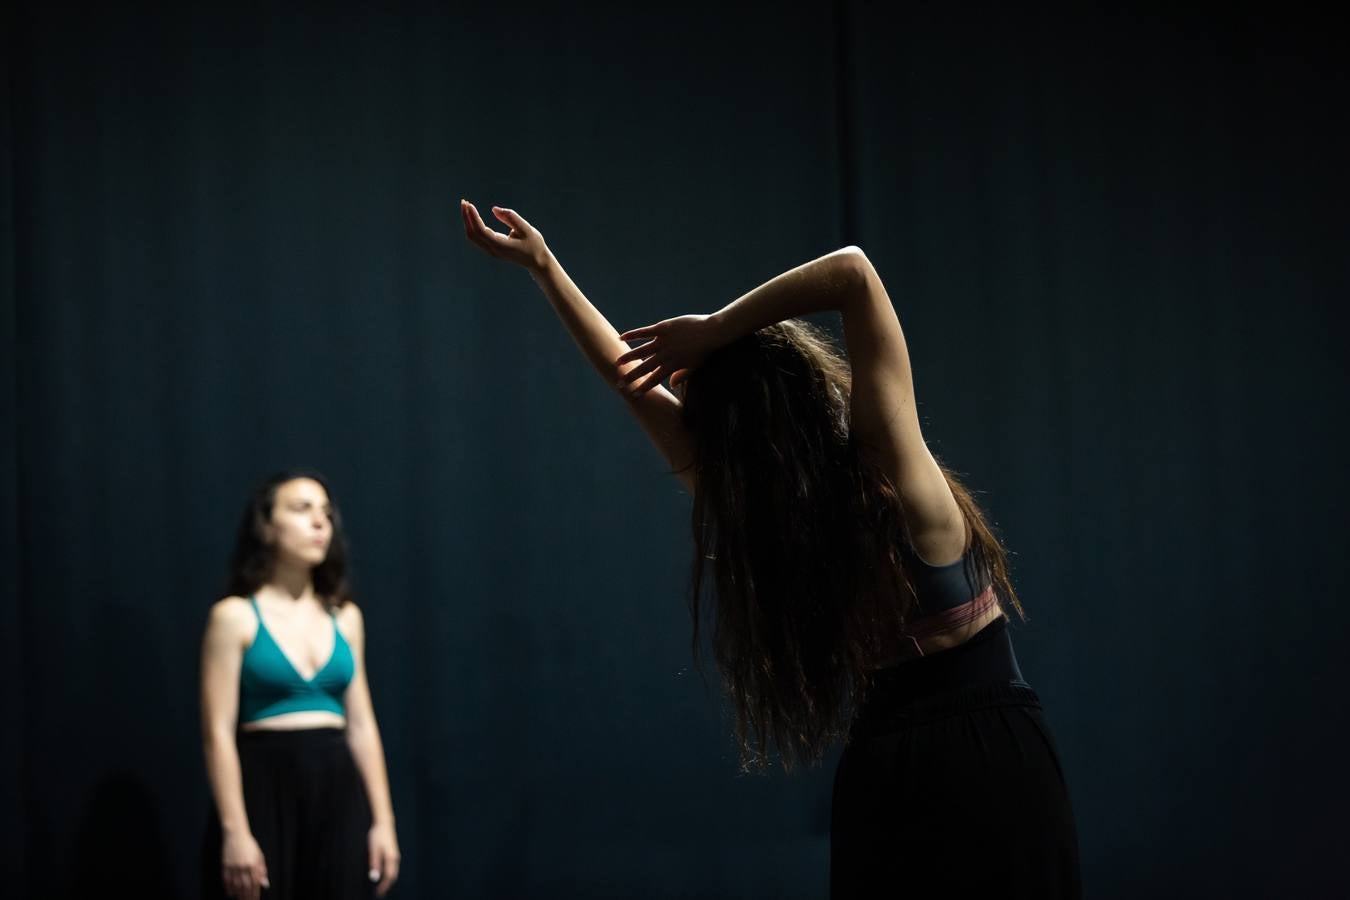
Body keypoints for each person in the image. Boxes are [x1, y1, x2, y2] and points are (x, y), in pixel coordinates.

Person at [461, 199, 1080, 897]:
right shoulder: (881, 473)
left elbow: (627, 378)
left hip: (921, 762)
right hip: (977, 753)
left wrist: (549, 269)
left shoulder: (822, 497)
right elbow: (852, 274)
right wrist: (712, 331)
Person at [200, 471, 400, 899]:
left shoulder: (345, 618)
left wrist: (384, 822)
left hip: (337, 790)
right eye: (301, 509)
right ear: (267, 527)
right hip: (266, 785)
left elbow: (362, 726)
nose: (319, 522)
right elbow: (217, 732)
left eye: (326, 513)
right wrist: (235, 831)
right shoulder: (235, 617)